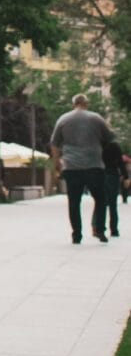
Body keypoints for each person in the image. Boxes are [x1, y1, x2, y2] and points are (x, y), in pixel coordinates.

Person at [50, 93, 113, 244]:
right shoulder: (96, 118)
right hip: (94, 165)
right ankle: (99, 229)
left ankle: (76, 234)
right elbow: (109, 138)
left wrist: (57, 164)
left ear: (73, 104)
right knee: (100, 199)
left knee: (74, 201)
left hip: (71, 167)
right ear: (86, 103)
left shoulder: (63, 119)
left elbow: (54, 143)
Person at [92, 139, 131, 238]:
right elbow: (121, 163)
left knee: (100, 202)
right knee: (113, 204)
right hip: (113, 175)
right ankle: (114, 229)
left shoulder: (96, 144)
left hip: (99, 174)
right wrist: (126, 177)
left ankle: (97, 227)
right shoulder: (114, 145)